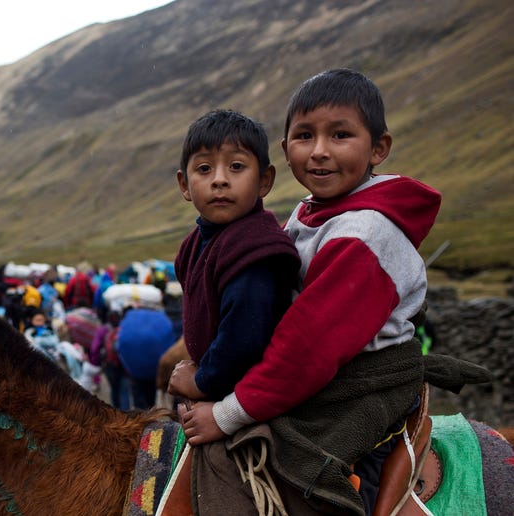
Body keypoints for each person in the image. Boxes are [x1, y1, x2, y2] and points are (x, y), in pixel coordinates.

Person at [178, 69, 442, 515]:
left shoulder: (365, 234)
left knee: (305, 480)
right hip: (313, 377)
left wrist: (224, 414)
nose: (319, 152)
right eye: (304, 136)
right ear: (285, 150)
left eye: (340, 135)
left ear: (379, 147)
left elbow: (307, 347)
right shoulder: (312, 212)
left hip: (358, 387)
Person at [168, 109, 300, 404]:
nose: (219, 180)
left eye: (236, 166)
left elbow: (242, 343)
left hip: (251, 397)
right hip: (221, 387)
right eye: (204, 169)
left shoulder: (254, 251)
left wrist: (201, 383)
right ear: (184, 185)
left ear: (264, 180)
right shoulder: (195, 245)